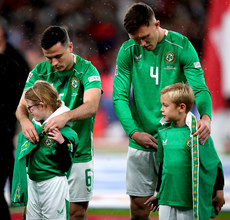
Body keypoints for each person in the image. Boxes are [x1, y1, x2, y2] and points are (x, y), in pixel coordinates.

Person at [112, 2, 212, 220]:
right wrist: (133, 132)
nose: (142, 43)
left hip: (177, 138)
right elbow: (119, 97)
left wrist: (206, 117)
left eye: (145, 37)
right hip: (141, 138)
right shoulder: (127, 50)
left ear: (156, 24)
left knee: (179, 205)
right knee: (139, 207)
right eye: (136, 39)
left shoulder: (181, 45)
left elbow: (200, 88)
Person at [15, 26, 102, 220]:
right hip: (43, 154)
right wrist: (24, 122)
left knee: (77, 213)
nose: (54, 62)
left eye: (58, 56)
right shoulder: (40, 71)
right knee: (33, 211)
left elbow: (92, 106)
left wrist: (66, 116)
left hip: (79, 153)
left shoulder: (87, 70)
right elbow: (21, 107)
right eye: (49, 57)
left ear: (70, 47)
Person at [144, 83, 225, 220]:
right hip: (166, 200)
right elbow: (163, 166)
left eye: (165, 105)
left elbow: (213, 164)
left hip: (190, 202)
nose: (161, 109)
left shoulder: (198, 133)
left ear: (181, 107)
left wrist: (219, 192)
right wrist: (158, 193)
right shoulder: (163, 132)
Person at [12, 80, 79, 220]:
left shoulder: (66, 132)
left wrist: (62, 143)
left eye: (30, 108)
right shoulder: (32, 129)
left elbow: (66, 166)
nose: (29, 112)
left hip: (53, 185)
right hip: (33, 184)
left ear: (42, 105)